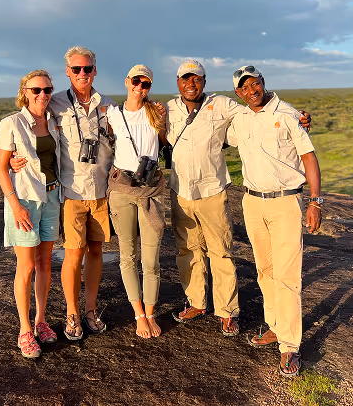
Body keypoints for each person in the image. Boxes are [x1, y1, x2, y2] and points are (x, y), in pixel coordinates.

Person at [166, 59, 310, 337]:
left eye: (197, 79)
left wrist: (298, 116)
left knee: (221, 251)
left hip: (213, 190)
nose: (191, 84)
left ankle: (227, 311)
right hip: (180, 190)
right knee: (188, 250)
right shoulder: (168, 109)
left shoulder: (223, 104)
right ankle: (196, 302)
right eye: (186, 79)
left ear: (204, 82)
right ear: (178, 82)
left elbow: (260, 109)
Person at [11, 46, 115, 340]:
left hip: (101, 190)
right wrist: (10, 161)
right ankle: (72, 313)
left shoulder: (108, 105)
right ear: (68, 72)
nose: (83, 74)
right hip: (70, 192)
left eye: (88, 68)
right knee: (72, 255)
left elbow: (126, 134)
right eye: (77, 69)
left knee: (96, 251)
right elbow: (29, 131)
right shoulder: (54, 103)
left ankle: (91, 309)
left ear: (95, 70)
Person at [227, 65, 322, 377]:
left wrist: (315, 201)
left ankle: (290, 346)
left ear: (263, 83)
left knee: (287, 276)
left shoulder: (290, 113)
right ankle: (276, 326)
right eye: (245, 87)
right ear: (238, 93)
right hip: (253, 202)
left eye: (256, 84)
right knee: (265, 272)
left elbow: (308, 157)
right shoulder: (240, 118)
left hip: (285, 202)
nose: (252, 90)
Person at [0, 70, 61, 358]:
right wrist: (14, 204)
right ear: (25, 91)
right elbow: (0, 167)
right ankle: (24, 329)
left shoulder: (55, 121)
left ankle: (41, 321)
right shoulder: (11, 123)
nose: (42, 95)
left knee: (45, 262)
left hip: (53, 196)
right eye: (36, 90)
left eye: (47, 90)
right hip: (24, 200)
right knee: (27, 267)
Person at [106, 65, 168, 339]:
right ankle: (139, 314)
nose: (139, 88)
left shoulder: (157, 112)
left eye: (145, 84)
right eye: (135, 81)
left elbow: (168, 141)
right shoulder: (112, 114)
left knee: (151, 258)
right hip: (122, 190)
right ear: (127, 81)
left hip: (151, 190)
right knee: (127, 255)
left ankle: (151, 312)